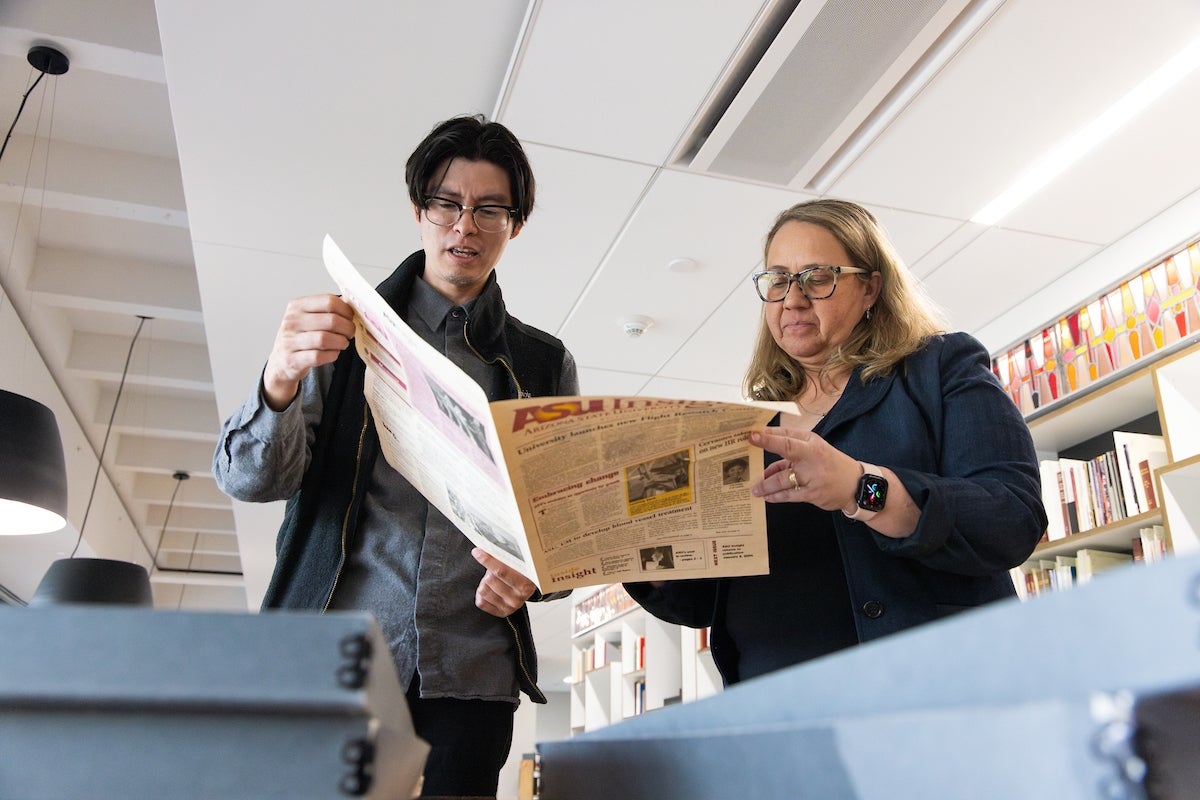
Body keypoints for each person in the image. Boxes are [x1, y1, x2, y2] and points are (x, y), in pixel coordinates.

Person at [212, 114, 579, 798]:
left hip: (470, 676)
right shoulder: (342, 332)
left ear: (514, 225)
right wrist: (278, 381)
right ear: (419, 210)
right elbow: (251, 479)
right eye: (446, 203)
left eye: (489, 209)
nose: (464, 225)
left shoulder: (542, 363)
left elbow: (563, 537)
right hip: (337, 661)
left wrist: (532, 573)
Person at [625, 198, 1046, 687]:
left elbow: (1012, 518)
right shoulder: (745, 431)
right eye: (778, 279)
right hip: (775, 713)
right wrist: (648, 554)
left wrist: (861, 488)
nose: (793, 299)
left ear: (870, 287)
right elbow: (702, 604)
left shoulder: (938, 369)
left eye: (817, 277)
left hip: (928, 695)